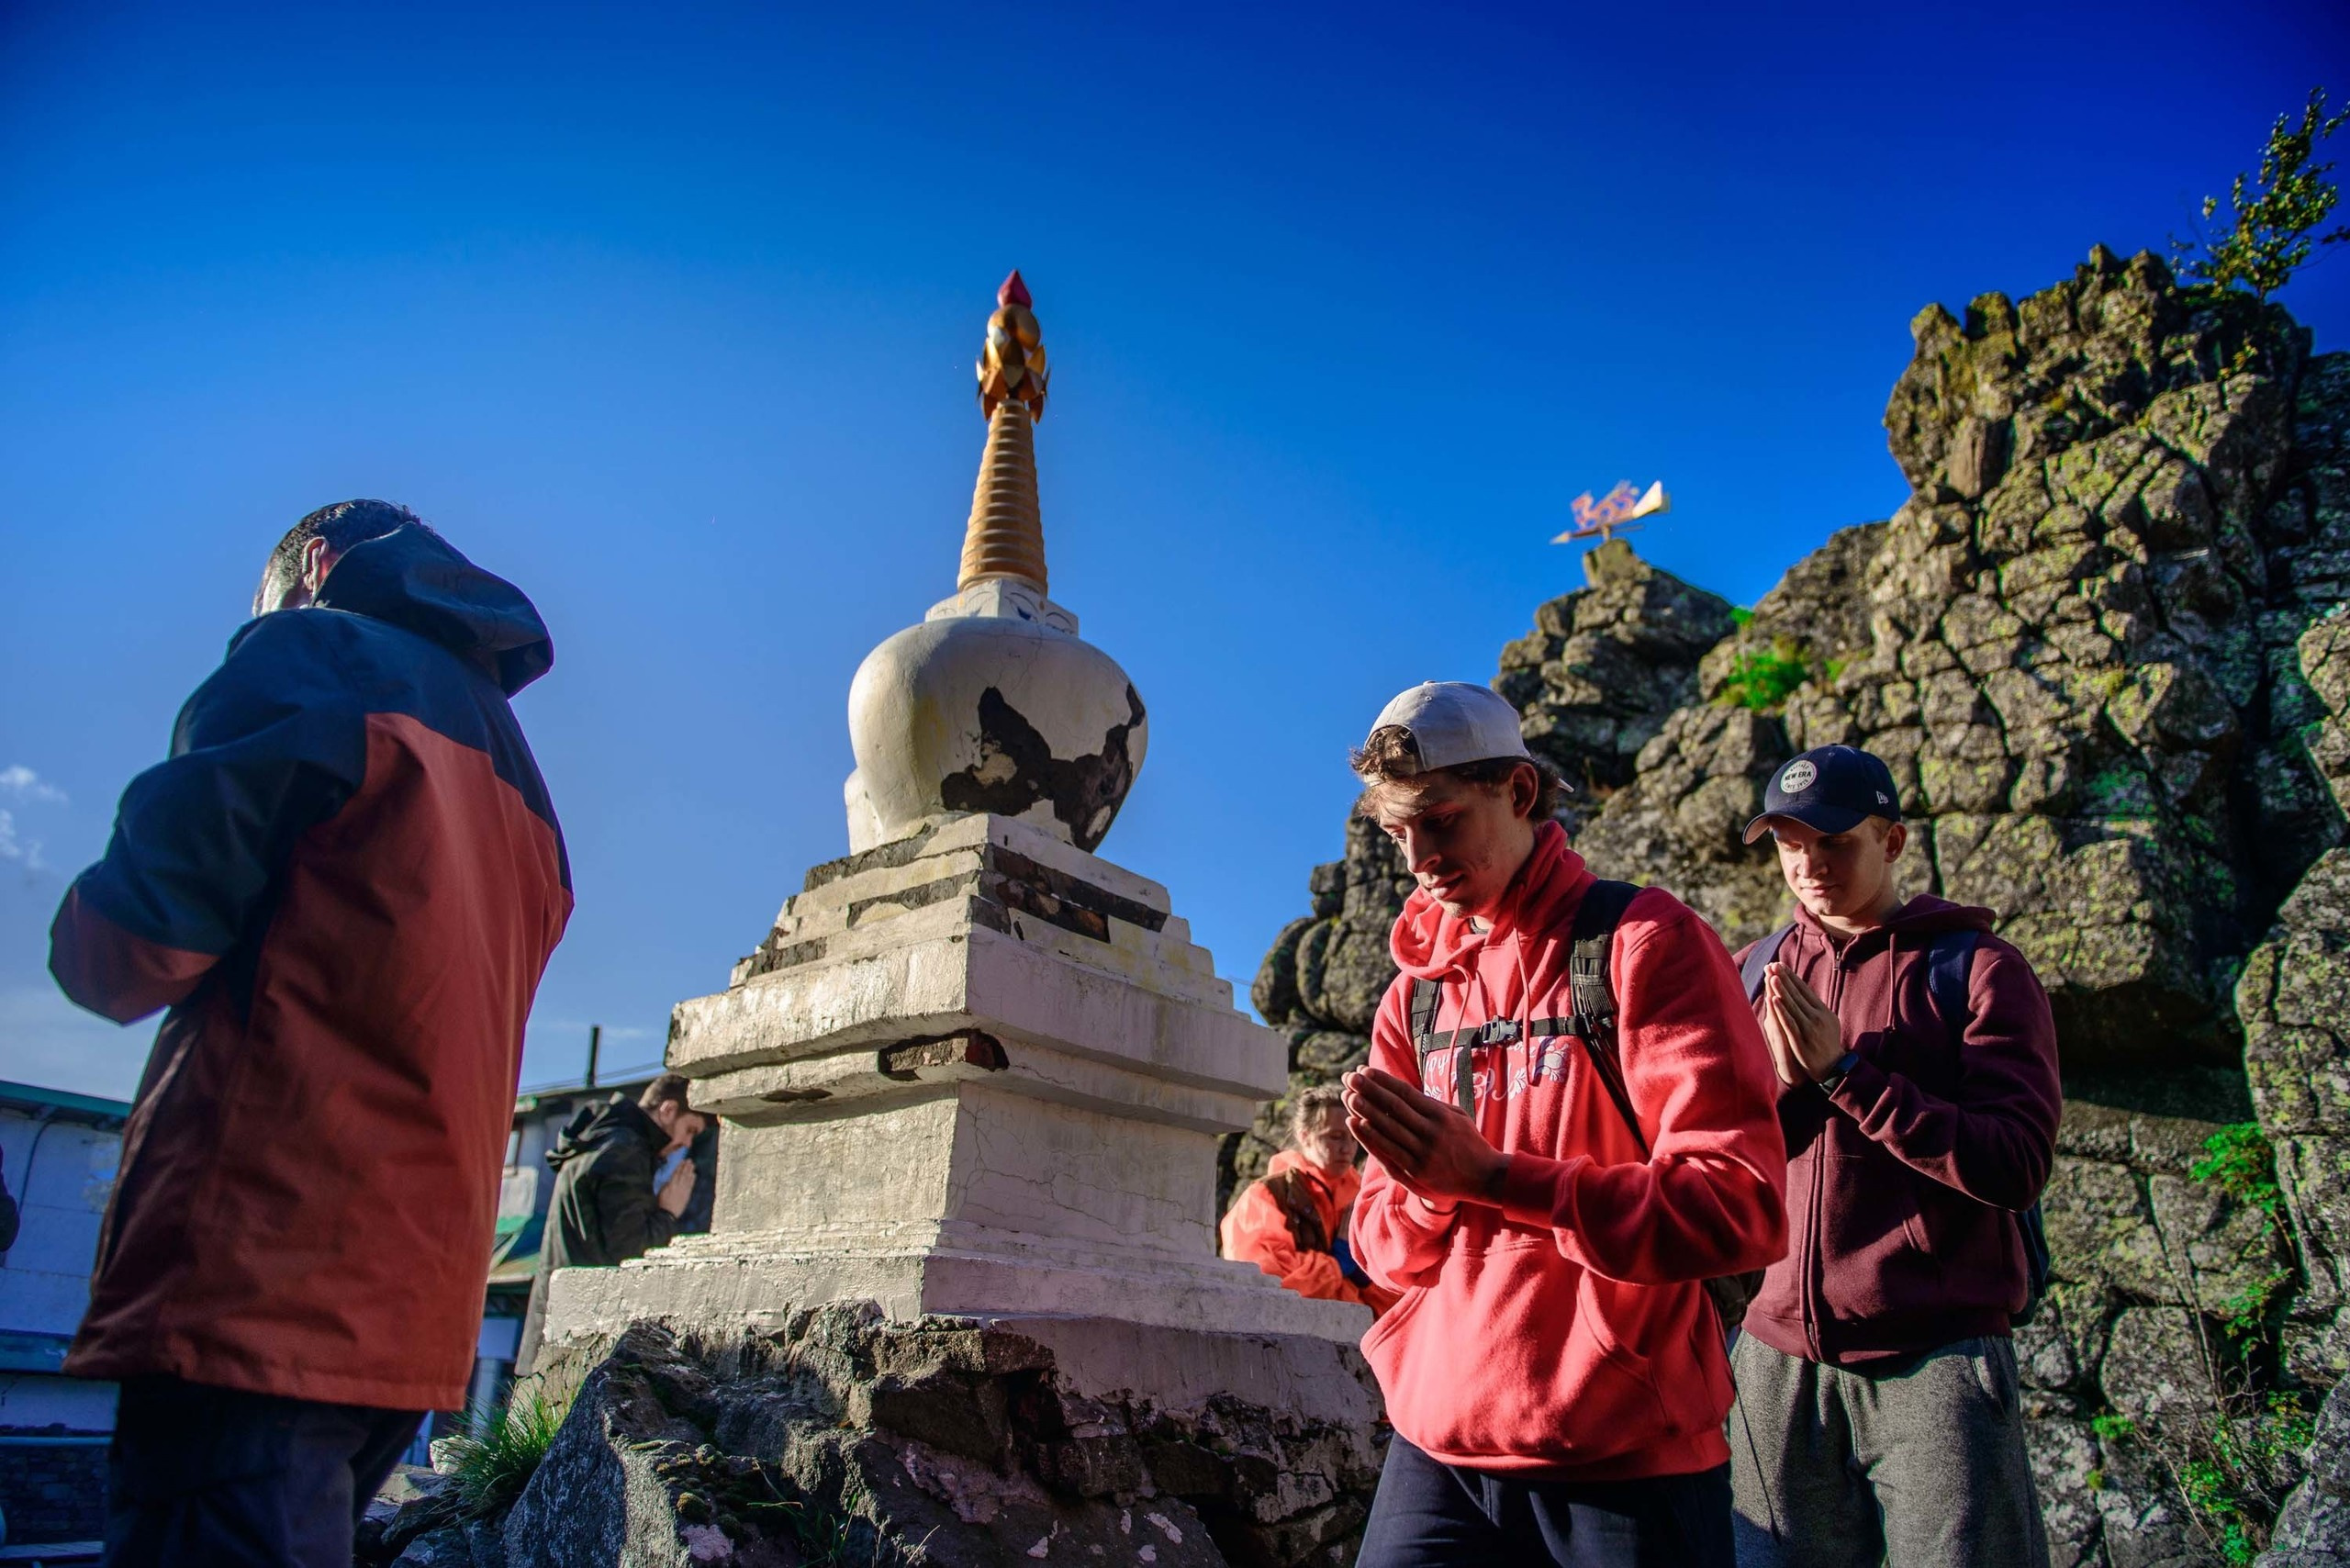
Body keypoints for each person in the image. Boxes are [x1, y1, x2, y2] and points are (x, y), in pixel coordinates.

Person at [49, 500, 571, 1568]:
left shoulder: (313, 649)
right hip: (413, 1303)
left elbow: (135, 943)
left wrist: (79, 924)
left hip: (262, 1267)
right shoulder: (523, 778)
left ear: (315, 567)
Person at [1337, 681, 1787, 1568]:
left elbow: (1740, 1206)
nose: (1419, 857)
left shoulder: (1641, 942)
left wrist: (1495, 1180)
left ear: (1519, 791)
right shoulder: (1413, 998)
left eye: (1441, 820)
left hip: (1624, 1449)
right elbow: (1382, 1248)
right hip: (1437, 1442)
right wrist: (1430, 1196)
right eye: (1398, 833)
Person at [1727, 744, 2061, 1567]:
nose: (1810, 863)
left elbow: (2014, 1163)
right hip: (1773, 1359)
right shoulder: (1751, 971)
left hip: (1936, 1358)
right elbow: (1723, 1158)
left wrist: (1847, 1074)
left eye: (1835, 839)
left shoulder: (1978, 969)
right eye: (1789, 841)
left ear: (1895, 841)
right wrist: (1784, 1086)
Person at [513, 1072, 708, 1377]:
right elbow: (629, 1251)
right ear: (669, 1110)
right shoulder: (626, 1151)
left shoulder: (602, 1140)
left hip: (553, 1333)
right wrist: (668, 1214)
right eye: (690, 1129)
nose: (685, 1143)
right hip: (577, 1345)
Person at [1220, 1085, 1402, 1316]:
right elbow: (1262, 1276)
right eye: (1334, 1137)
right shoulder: (1266, 1197)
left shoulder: (1366, 1200)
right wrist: (1337, 1265)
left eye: (1354, 1138)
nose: (1346, 1149)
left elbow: (1404, 1297)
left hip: (1359, 1338)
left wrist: (1366, 1279)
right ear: (1304, 1136)